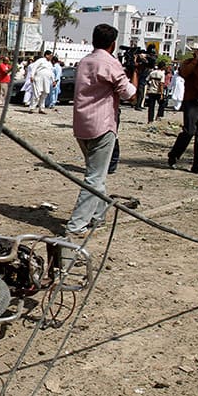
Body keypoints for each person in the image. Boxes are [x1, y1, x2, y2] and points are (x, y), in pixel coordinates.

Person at [64, 24, 137, 237]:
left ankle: (98, 216)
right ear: (112, 44)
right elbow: (130, 95)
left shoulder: (85, 61)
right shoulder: (110, 63)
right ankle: (76, 226)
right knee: (94, 177)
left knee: (98, 173)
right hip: (102, 126)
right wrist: (135, 73)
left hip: (82, 125)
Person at [168, 41, 198, 175]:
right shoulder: (189, 63)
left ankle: (197, 165)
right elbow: (184, 74)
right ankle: (174, 154)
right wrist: (195, 60)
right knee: (189, 131)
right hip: (192, 101)